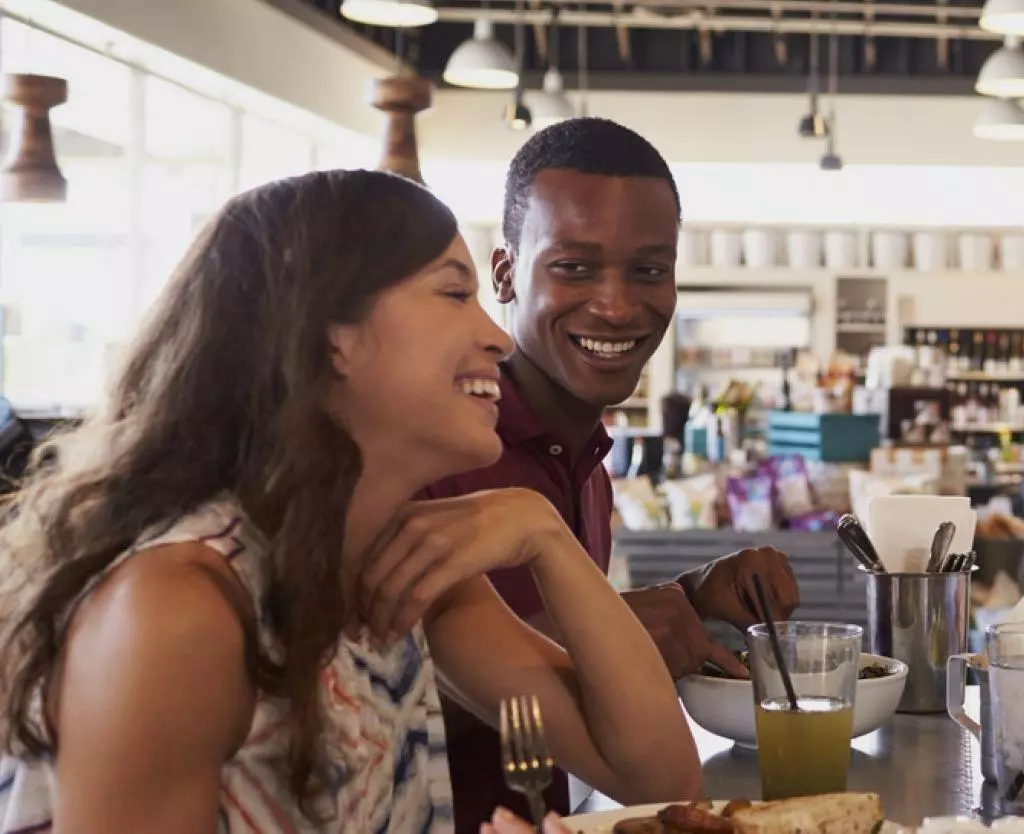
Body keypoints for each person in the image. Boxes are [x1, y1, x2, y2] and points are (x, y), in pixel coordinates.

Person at [0, 170, 699, 831]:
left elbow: (659, 779)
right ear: (330, 333)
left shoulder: (394, 567)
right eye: (455, 294)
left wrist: (545, 533)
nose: (493, 335)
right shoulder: (181, 611)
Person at [422, 117, 799, 829]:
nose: (619, 305)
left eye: (650, 270)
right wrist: (603, 642)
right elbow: (372, 691)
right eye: (574, 267)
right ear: (504, 273)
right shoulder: (440, 450)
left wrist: (692, 595)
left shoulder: (586, 455)